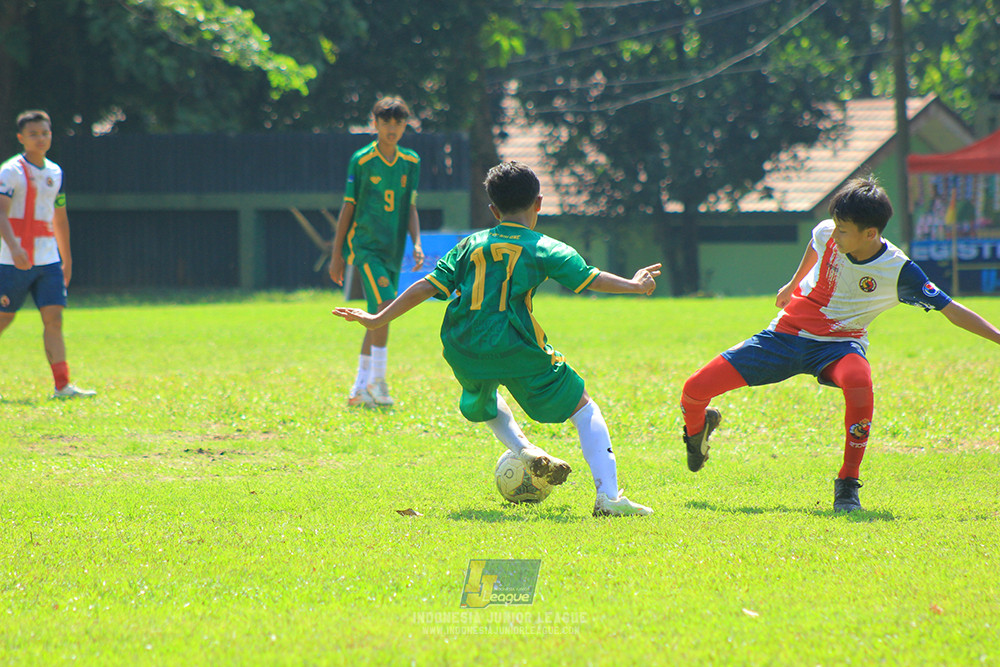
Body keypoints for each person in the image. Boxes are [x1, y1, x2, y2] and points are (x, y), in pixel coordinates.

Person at [334, 161, 660, 517]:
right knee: (584, 408)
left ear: (493, 209)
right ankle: (608, 498)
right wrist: (635, 285)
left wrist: (379, 317)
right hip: (516, 345)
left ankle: (524, 450)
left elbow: (427, 286)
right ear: (539, 203)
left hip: (464, 345)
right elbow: (589, 278)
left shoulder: (470, 245)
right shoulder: (544, 246)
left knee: (485, 400)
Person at [679, 175, 1000, 512]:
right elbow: (815, 244)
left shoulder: (899, 271)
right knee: (695, 388)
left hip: (839, 345)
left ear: (871, 234)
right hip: (784, 336)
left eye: (843, 230)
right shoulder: (829, 232)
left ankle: (847, 484)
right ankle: (697, 434)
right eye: (835, 226)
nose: (834, 234)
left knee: (860, 381)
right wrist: (792, 284)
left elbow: (952, 310)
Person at [328, 97, 424, 408]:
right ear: (375, 123)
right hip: (366, 247)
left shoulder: (411, 162)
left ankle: (358, 388)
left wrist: (417, 243)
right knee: (384, 307)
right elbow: (348, 206)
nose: (392, 128)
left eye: (398, 123)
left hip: (393, 250)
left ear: (405, 125)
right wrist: (337, 253)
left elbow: (409, 206)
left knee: (378, 315)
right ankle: (378, 383)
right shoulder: (362, 159)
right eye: (386, 122)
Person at [0, 110, 95, 400]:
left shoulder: (56, 172)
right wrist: (15, 247)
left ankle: (62, 386)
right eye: (33, 134)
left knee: (54, 319)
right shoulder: (10, 171)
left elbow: (60, 218)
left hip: (48, 260)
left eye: (45, 133)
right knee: (4, 320)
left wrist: (66, 259)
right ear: (21, 138)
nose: (41, 139)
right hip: (10, 260)